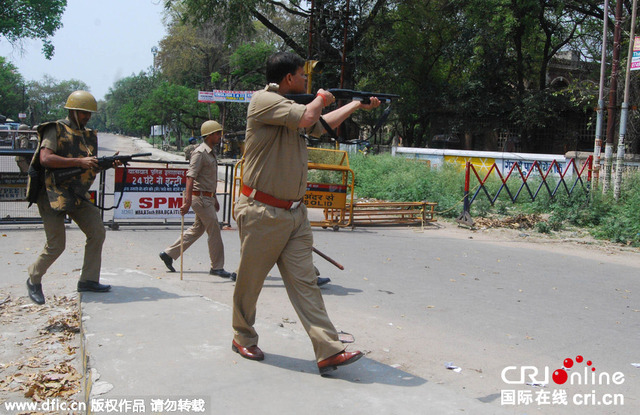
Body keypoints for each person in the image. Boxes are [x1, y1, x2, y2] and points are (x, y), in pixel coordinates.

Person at [231, 52, 380, 374]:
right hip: (262, 211)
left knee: (305, 283)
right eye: (302, 76)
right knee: (251, 281)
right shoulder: (264, 101)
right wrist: (322, 99)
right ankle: (243, 336)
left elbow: (322, 124)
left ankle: (328, 350)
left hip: (294, 214)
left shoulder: (295, 111)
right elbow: (309, 117)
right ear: (288, 79)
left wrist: (356, 104)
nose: (305, 81)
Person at [25, 91, 111, 305]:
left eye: (89, 113)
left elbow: (88, 168)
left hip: (76, 193)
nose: (87, 117)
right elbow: (45, 159)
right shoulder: (55, 129)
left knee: (97, 231)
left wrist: (106, 163)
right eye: (83, 113)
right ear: (72, 111)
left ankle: (88, 280)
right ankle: (34, 279)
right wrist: (80, 162)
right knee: (56, 245)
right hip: (51, 193)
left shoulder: (88, 135)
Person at [159, 120, 236, 280]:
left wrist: (214, 198)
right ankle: (217, 267)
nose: (219, 136)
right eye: (217, 134)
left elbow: (208, 179)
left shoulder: (210, 152)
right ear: (209, 136)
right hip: (199, 198)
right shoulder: (200, 153)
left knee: (197, 229)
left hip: (207, 197)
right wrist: (187, 202)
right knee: (214, 230)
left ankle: (168, 254)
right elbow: (190, 177)